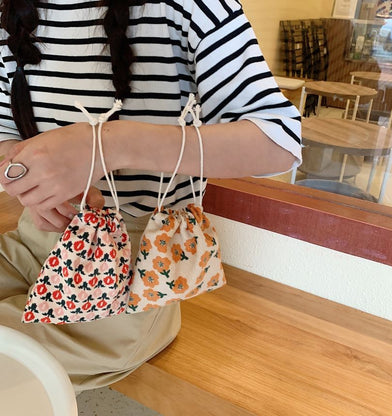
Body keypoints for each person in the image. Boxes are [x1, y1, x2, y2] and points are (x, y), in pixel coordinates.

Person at [0, 0, 301, 393]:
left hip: (135, 276)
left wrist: (107, 144)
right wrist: (28, 181)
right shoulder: (10, 10)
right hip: (30, 242)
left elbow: (278, 141)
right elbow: (5, 131)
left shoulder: (192, 6)